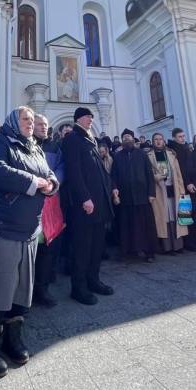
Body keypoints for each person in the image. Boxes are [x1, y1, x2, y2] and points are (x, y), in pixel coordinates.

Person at [0, 107, 57, 377]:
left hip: (28, 231)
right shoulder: (0, 140)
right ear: (13, 122)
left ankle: (12, 339)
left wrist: (51, 184)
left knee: (20, 289)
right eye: (25, 119)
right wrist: (34, 182)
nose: (30, 123)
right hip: (1, 227)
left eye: (32, 119)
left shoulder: (34, 147)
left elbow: (50, 173)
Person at [60, 107, 114, 305]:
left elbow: (99, 171)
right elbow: (73, 172)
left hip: (99, 203)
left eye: (91, 116)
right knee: (82, 248)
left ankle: (93, 280)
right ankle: (78, 288)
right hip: (85, 205)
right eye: (87, 116)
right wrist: (84, 198)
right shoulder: (73, 139)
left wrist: (112, 188)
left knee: (97, 246)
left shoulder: (90, 139)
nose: (90, 119)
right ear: (78, 119)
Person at [32, 114, 65, 307]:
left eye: (45, 124)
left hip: (51, 202)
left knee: (47, 249)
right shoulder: (26, 144)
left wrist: (53, 182)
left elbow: (61, 167)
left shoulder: (54, 147)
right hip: (31, 203)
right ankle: (26, 291)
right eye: (40, 124)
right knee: (31, 250)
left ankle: (42, 290)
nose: (44, 127)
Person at [110, 129, 158, 263]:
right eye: (124, 137)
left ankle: (149, 252)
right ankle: (130, 252)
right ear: (122, 140)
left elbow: (149, 174)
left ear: (133, 139)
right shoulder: (117, 156)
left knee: (145, 226)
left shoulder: (142, 154)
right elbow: (113, 176)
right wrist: (114, 191)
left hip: (142, 196)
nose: (127, 138)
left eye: (129, 136)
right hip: (125, 197)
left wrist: (151, 193)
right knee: (127, 227)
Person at [148, 133, 190, 254]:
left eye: (160, 139)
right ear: (153, 142)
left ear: (164, 141)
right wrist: (155, 177)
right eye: (156, 139)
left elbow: (178, 173)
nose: (158, 141)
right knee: (164, 217)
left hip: (174, 188)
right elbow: (147, 172)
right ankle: (167, 247)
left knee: (176, 216)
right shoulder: (148, 155)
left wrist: (181, 189)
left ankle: (178, 246)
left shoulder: (171, 154)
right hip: (159, 189)